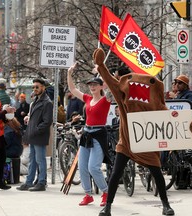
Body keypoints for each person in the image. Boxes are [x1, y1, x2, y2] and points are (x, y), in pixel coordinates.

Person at [93, 48, 180, 216]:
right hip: (126, 143)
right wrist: (101, 66)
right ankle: (108, 206)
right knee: (116, 172)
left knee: (156, 173)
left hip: (147, 143)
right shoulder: (122, 95)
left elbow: (171, 118)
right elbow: (111, 81)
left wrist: (189, 125)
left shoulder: (156, 103)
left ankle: (166, 204)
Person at [67, 63, 111, 207]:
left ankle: (106, 192)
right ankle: (88, 194)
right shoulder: (87, 99)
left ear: (100, 86)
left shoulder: (106, 100)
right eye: (90, 85)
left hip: (99, 134)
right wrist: (69, 73)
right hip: (87, 133)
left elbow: (111, 86)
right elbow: (73, 89)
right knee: (82, 166)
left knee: (94, 167)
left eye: (95, 85)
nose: (92, 87)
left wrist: (101, 71)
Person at [17, 78, 53, 192]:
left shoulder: (47, 102)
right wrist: (29, 119)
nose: (35, 89)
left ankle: (41, 182)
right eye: (33, 87)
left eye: (37, 87)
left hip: (39, 135)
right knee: (32, 159)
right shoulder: (36, 100)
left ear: (43, 87)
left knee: (40, 160)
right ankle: (29, 182)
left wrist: (36, 130)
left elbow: (47, 121)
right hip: (33, 135)